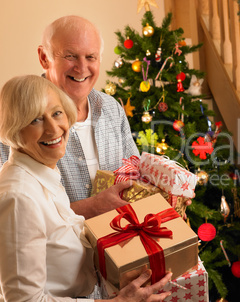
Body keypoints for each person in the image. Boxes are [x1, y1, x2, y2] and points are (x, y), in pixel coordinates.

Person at [0, 75, 172, 301]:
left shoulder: (44, 173)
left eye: (56, 113)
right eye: (35, 120)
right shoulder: (18, 197)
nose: (54, 129)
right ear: (14, 130)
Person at [0, 15, 140, 219]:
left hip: (119, 245)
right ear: (44, 58)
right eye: (70, 56)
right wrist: (92, 207)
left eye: (90, 57)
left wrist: (167, 193)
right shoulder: (17, 117)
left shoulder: (112, 108)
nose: (81, 68)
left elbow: (135, 172)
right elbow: (7, 212)